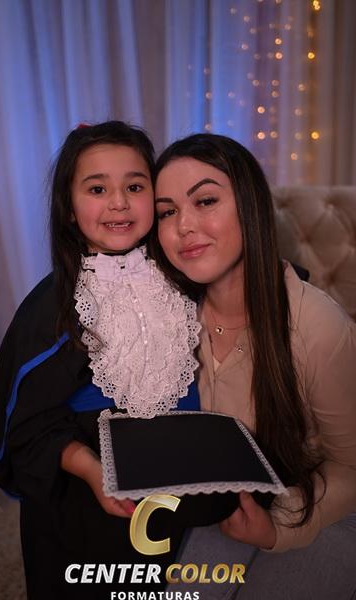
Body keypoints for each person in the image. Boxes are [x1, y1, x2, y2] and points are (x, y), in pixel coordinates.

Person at [0, 121, 202, 599]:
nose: (119, 202)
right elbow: (30, 427)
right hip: (87, 492)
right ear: (69, 207)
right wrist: (92, 472)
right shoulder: (52, 308)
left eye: (134, 187)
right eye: (97, 189)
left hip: (180, 474)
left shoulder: (187, 280)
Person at [149, 133, 356, 598]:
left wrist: (277, 526)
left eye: (205, 201)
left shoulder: (318, 326)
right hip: (228, 502)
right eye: (166, 212)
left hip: (329, 504)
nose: (183, 226)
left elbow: (351, 466)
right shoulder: (169, 318)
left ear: (250, 206)